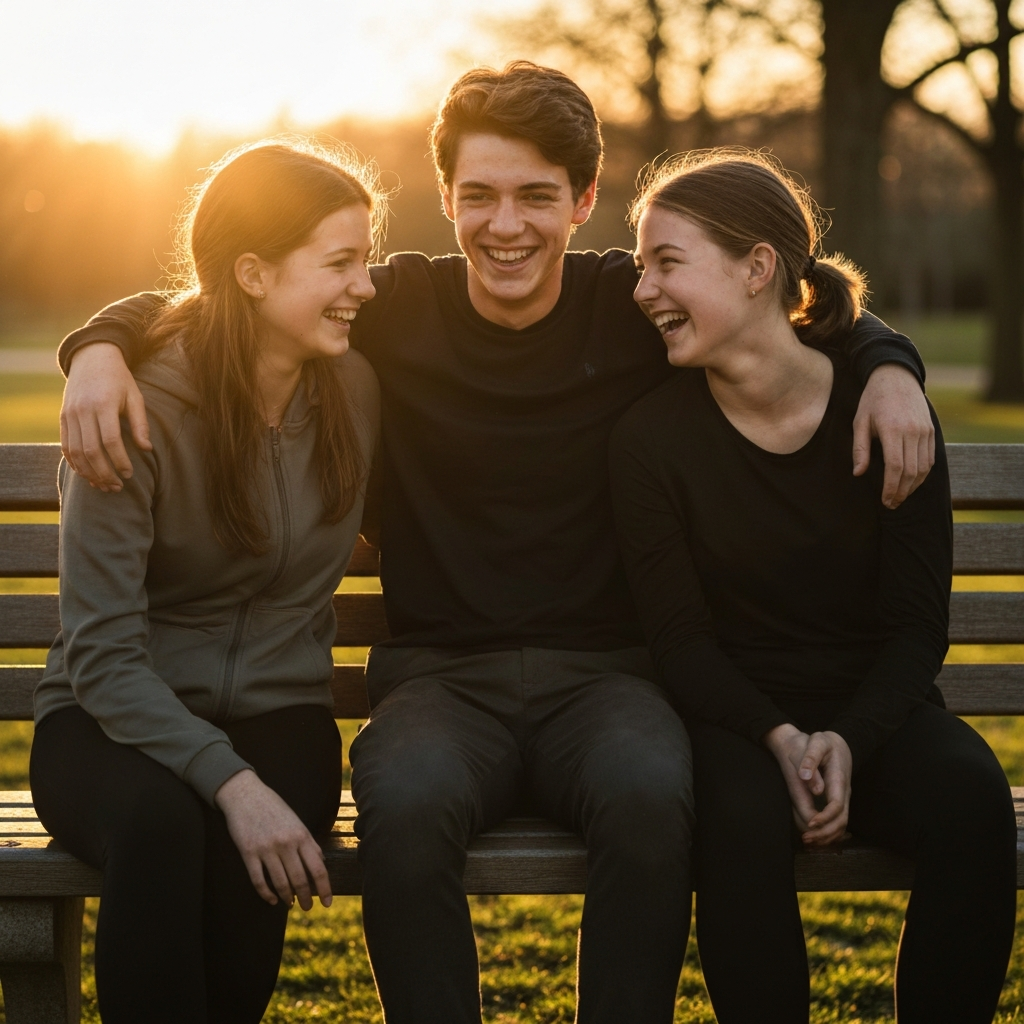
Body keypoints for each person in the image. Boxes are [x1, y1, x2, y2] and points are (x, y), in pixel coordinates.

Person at [55, 65, 936, 1024]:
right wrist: (98, 346)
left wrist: (887, 362)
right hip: (440, 678)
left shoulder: (633, 307)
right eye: (477, 196)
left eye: (536, 197)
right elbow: (235, 285)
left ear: (584, 201)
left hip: (608, 678)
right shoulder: (384, 312)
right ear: (446, 199)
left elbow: (775, 305)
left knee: (650, 792)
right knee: (409, 801)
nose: (504, 225)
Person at [610, 150, 1017, 1024]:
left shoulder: (889, 414)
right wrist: (781, 734)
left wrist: (849, 737)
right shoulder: (650, 438)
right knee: (739, 824)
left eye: (666, 262)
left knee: (973, 801)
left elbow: (916, 628)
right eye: (641, 264)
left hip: (879, 709)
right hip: (734, 719)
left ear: (759, 269)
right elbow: (679, 642)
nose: (641, 289)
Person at [30, 139, 381, 1024]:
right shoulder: (131, 409)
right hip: (109, 723)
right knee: (163, 825)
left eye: (365, 260)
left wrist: (252, 783)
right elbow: (103, 658)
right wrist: (233, 784)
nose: (365, 288)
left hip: (282, 713)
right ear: (255, 274)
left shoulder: (359, 389)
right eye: (340, 264)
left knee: (244, 856)